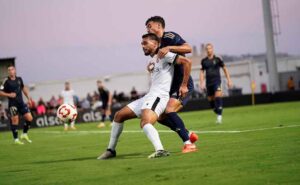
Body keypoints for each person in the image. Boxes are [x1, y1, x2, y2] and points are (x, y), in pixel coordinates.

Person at [98, 33, 192, 159]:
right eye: (142, 43)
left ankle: (160, 150)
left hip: (159, 96)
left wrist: (184, 85)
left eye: (145, 43)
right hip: (149, 96)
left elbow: (187, 61)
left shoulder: (164, 55)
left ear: (156, 44)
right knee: (119, 116)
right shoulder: (152, 59)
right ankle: (111, 150)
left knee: (145, 122)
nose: (142, 46)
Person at [145, 16, 198, 153]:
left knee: (169, 110)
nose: (148, 29)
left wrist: (184, 85)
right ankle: (187, 134)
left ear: (158, 26)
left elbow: (188, 48)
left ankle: (189, 144)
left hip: (182, 83)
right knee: (161, 116)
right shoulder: (156, 44)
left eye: (149, 26)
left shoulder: (169, 37)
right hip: (169, 86)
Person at [200, 43, 233, 124]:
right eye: (207, 49)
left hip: (217, 82)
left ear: (212, 49)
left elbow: (225, 69)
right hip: (208, 83)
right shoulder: (204, 61)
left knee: (218, 96)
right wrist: (201, 82)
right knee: (211, 102)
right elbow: (201, 72)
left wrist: (229, 80)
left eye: (210, 48)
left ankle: (219, 116)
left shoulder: (218, 59)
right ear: (206, 50)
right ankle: (218, 111)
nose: (209, 50)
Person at [0, 65, 33, 144]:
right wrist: (9, 95)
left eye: (12, 69)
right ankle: (16, 139)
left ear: (15, 71)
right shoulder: (6, 81)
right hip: (13, 104)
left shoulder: (19, 79)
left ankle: (24, 134)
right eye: (9, 70)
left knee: (30, 118)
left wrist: (29, 98)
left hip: (21, 103)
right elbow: (0, 92)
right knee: (15, 120)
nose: (10, 71)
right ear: (8, 72)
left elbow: (23, 89)